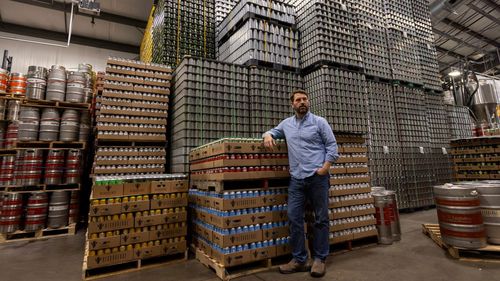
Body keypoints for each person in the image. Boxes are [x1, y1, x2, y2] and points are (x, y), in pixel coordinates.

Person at [263, 89, 339, 278]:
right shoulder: (287, 124)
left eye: (305, 99)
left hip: (317, 178)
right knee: (294, 217)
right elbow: (273, 131)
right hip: (297, 179)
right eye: (298, 100)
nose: (302, 102)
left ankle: (320, 259)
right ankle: (299, 259)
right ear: (292, 104)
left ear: (309, 102)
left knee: (320, 219)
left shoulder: (319, 122)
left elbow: (332, 147)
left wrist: (324, 168)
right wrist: (267, 135)